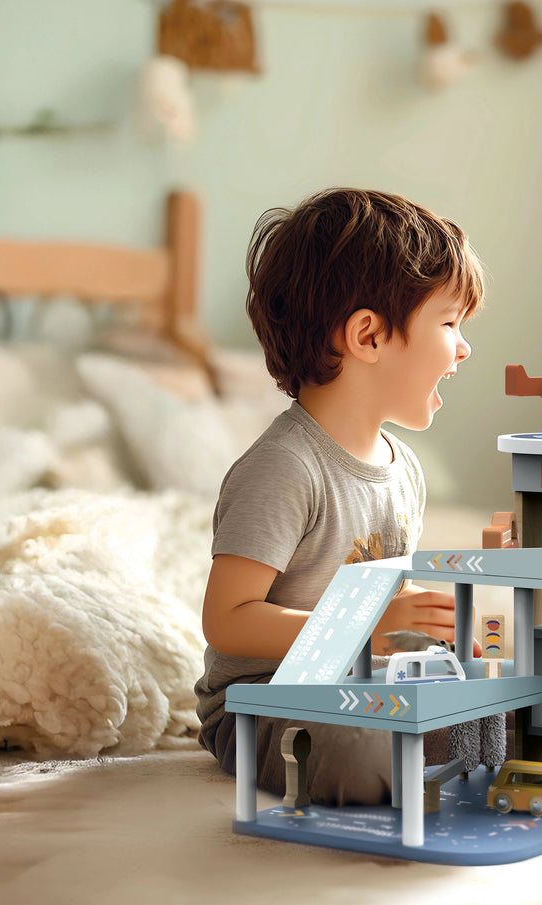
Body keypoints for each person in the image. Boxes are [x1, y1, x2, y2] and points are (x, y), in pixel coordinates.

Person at [195, 188, 485, 806]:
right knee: (361, 751)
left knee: (503, 704)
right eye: (450, 323)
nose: (463, 348)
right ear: (368, 335)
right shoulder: (283, 468)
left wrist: (431, 634)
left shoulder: (404, 469)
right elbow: (227, 619)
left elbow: (388, 597)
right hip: (267, 701)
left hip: (362, 682)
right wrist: (370, 630)